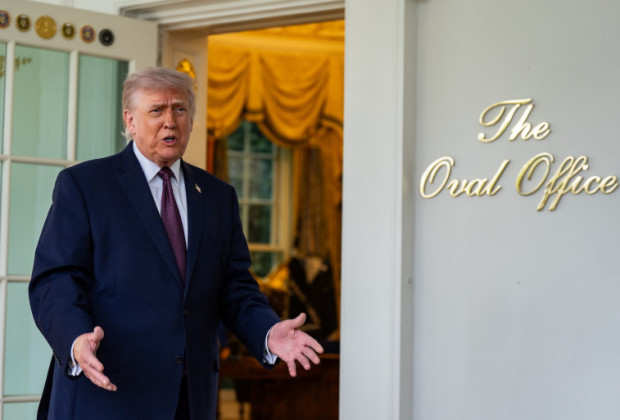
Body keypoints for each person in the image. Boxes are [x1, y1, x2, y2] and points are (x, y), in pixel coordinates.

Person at [29, 66, 323, 420]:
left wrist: (268, 331)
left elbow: (236, 289)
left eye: (180, 109)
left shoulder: (218, 196)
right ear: (130, 120)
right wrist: (75, 338)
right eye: (156, 110)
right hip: (109, 394)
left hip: (190, 398)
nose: (170, 121)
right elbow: (56, 279)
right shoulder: (85, 185)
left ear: (191, 120)